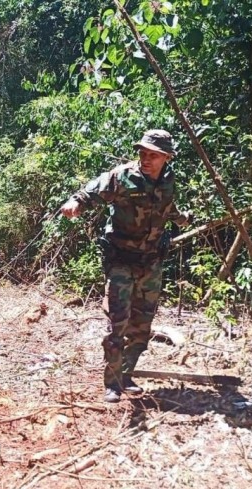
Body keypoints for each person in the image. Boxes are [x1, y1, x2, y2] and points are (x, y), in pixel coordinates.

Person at [60, 130, 192, 403]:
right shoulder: (122, 176)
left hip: (151, 261)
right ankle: (112, 382)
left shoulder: (169, 180)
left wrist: (181, 219)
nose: (145, 159)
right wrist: (75, 203)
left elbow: (166, 207)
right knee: (117, 323)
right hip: (120, 259)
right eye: (142, 153)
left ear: (166, 158)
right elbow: (90, 192)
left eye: (153, 155)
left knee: (142, 326)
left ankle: (126, 374)